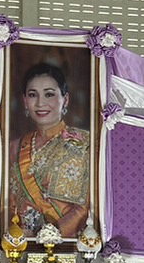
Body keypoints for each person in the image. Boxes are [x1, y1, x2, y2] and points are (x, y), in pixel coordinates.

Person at [7, 61, 91, 238]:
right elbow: (9, 204)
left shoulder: (86, 144)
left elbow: (84, 208)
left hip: (68, 243)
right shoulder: (13, 147)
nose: (40, 103)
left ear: (65, 99)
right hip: (19, 243)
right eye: (32, 95)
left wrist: (49, 238)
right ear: (24, 101)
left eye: (49, 94)